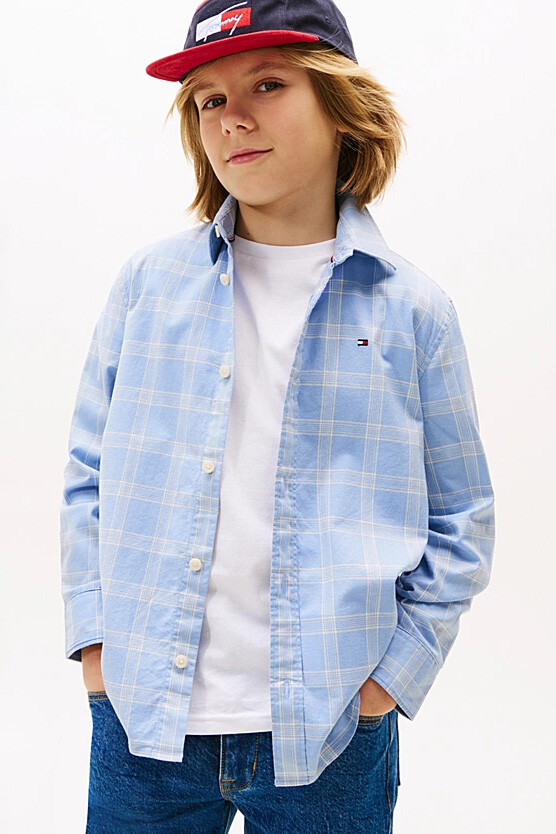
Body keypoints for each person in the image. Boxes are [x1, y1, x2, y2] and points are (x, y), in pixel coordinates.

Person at [60, 1, 496, 831]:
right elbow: (88, 474)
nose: (233, 118)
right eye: (209, 99)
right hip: (142, 720)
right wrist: (97, 649)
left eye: (267, 84)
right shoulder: (146, 289)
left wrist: (389, 682)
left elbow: (463, 519)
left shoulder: (414, 311)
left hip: (331, 732)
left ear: (341, 105)